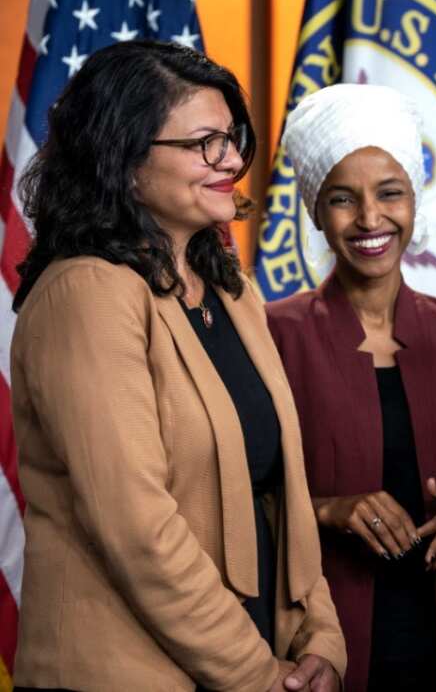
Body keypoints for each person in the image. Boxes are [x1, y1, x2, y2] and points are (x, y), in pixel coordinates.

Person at [10, 41, 344, 691]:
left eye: (233, 137)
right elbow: (138, 530)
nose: (232, 160)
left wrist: (321, 642)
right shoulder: (87, 293)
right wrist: (256, 674)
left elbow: (281, 497)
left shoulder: (234, 293)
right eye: (203, 143)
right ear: (124, 155)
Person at [267, 83, 436, 692]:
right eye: (343, 199)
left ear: (414, 200)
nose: (371, 219)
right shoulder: (271, 335)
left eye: (390, 193)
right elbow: (239, 505)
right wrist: (331, 510)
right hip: (325, 652)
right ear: (315, 212)